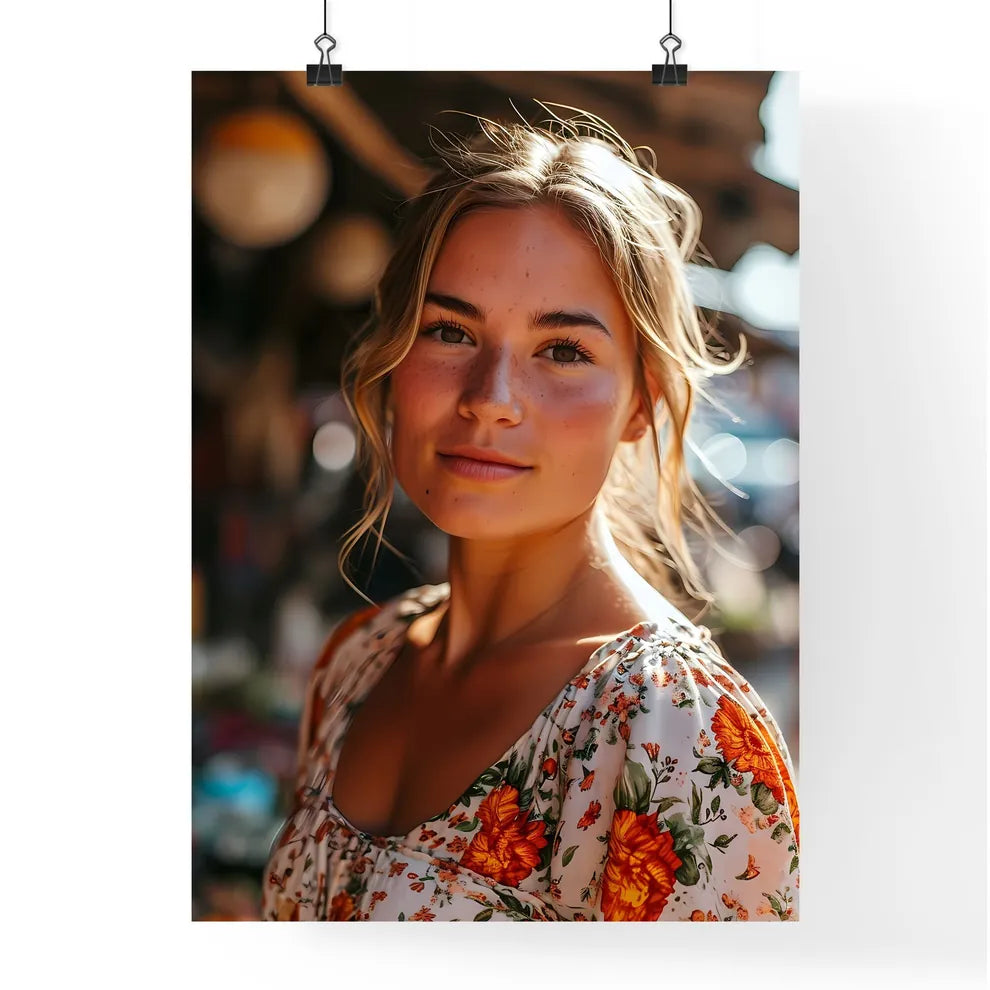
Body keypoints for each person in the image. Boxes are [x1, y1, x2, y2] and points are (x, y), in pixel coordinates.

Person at [262, 104, 800, 922]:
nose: (491, 399)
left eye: (562, 350)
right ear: (394, 356)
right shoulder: (357, 665)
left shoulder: (678, 735)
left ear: (639, 404)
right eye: (449, 330)